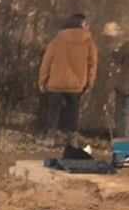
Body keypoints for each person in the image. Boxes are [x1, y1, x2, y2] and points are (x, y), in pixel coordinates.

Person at [38, 13, 98, 144]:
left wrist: (42, 81)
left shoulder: (57, 40)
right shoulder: (88, 41)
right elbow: (92, 64)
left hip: (56, 83)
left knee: (53, 109)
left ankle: (50, 137)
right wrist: (89, 83)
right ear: (82, 24)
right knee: (73, 110)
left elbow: (46, 62)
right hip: (76, 84)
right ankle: (72, 139)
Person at [114, 42, 129, 139]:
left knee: (122, 120)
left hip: (125, 87)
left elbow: (118, 59)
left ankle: (123, 152)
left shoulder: (127, 45)